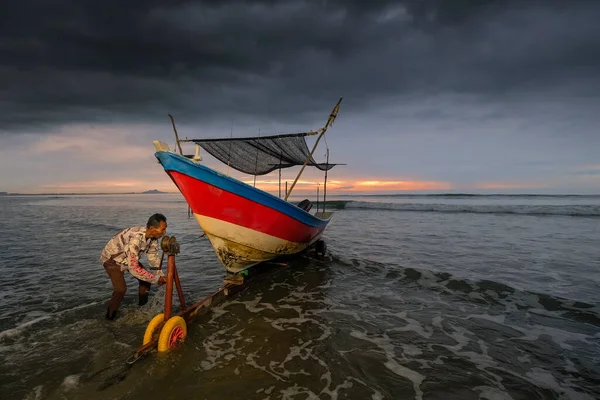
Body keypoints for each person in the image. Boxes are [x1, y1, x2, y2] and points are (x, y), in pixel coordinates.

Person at [100, 213, 168, 320]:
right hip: (112, 260)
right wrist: (156, 279)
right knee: (120, 289)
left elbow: (153, 260)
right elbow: (134, 268)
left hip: (128, 258)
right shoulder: (135, 239)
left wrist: (161, 278)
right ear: (152, 228)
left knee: (146, 282)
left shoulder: (153, 239)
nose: (164, 233)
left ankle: (143, 310)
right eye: (162, 230)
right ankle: (109, 318)